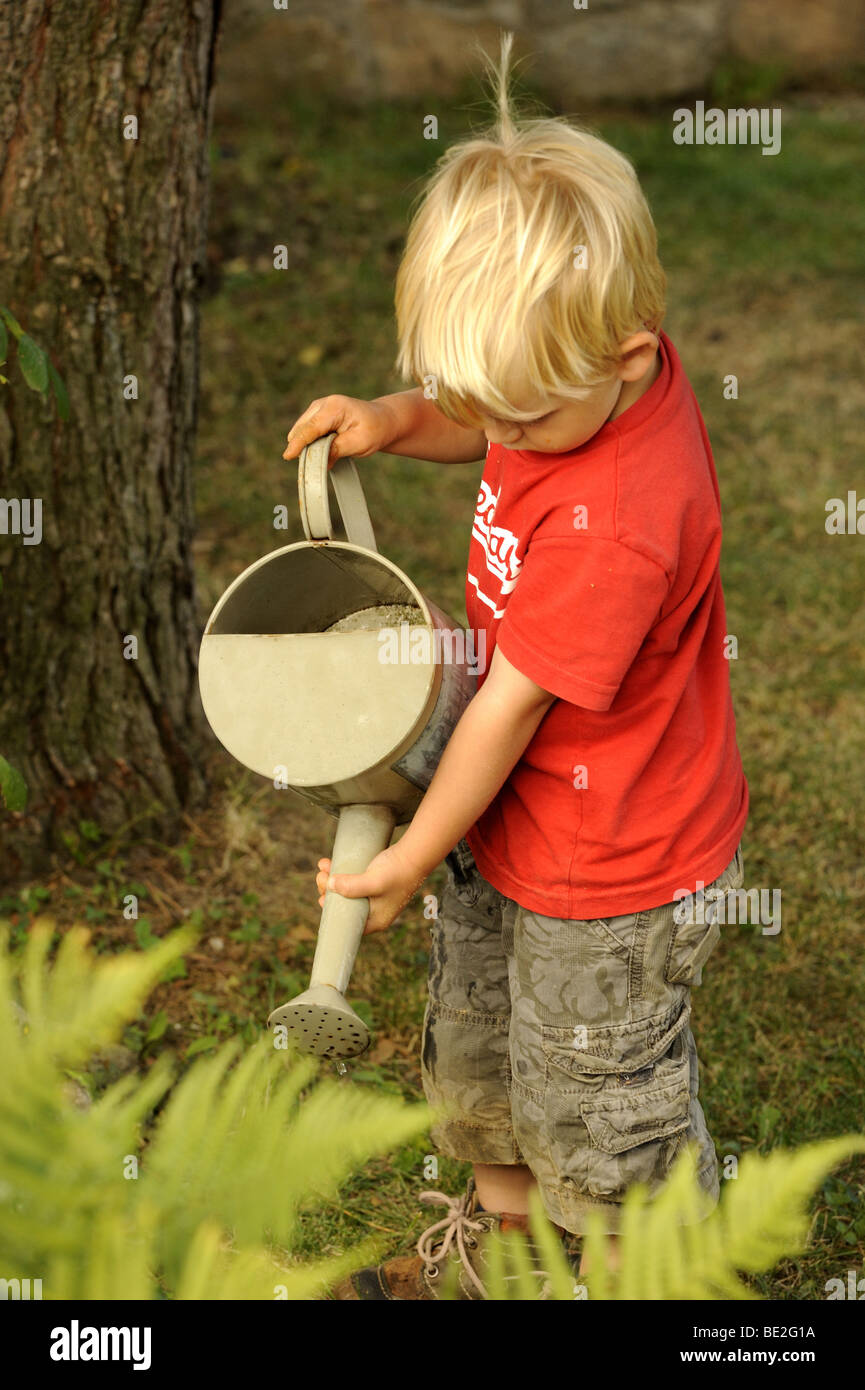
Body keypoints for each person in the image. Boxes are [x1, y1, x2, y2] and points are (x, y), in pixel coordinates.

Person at [282, 32, 748, 1300]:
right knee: (484, 1048)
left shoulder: (620, 526)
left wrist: (412, 853)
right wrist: (392, 418)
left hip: (616, 863)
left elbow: (504, 710)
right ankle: (504, 1249)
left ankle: (645, 1276)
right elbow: (490, 397)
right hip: (522, 820)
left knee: (598, 1089)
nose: (498, 439)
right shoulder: (571, 375)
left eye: (520, 420)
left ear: (630, 358)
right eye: (477, 408)